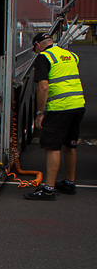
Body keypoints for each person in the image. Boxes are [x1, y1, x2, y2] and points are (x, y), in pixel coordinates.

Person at [24, 32, 86, 200]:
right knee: (70, 145)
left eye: (35, 49)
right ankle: (69, 183)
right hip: (78, 105)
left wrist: (40, 113)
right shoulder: (70, 55)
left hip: (59, 108)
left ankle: (48, 189)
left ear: (37, 46)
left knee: (52, 147)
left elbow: (43, 87)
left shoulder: (44, 57)